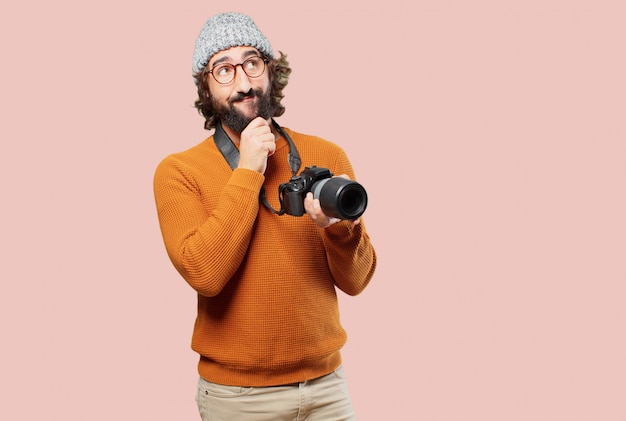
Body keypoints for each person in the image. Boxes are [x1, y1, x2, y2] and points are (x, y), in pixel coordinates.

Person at [153, 12, 377, 421]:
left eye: (252, 62)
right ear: (206, 85)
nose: (243, 82)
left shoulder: (327, 156)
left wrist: (339, 230)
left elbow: (357, 281)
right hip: (239, 397)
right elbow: (204, 273)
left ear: (271, 71)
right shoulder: (178, 171)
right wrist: (247, 171)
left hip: (327, 386)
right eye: (224, 69)